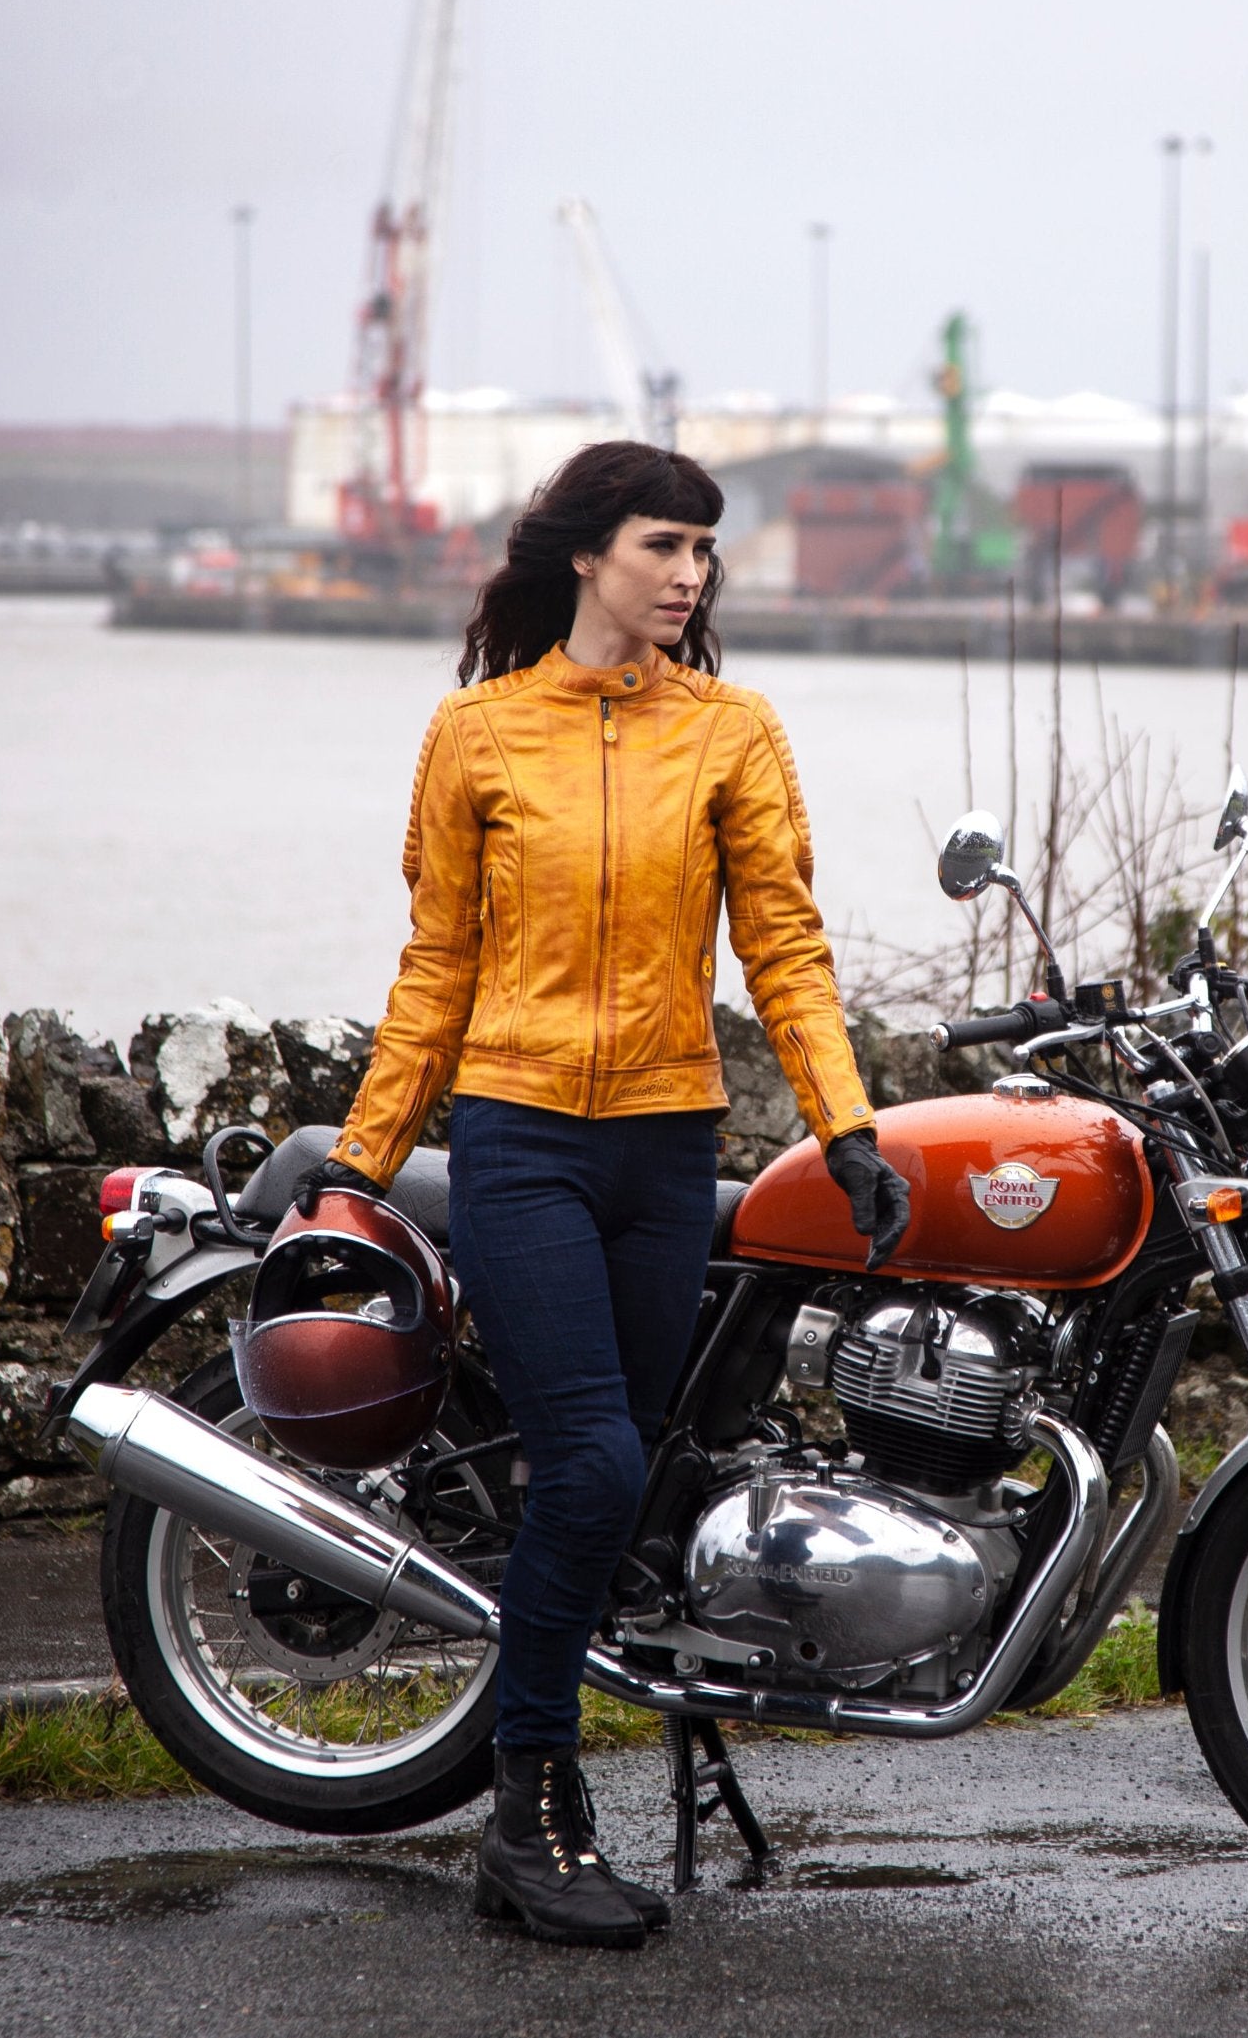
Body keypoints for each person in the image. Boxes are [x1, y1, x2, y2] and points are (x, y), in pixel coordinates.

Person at [307, 442, 909, 1947]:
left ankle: (600, 1742)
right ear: (587, 554)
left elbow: (783, 944)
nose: (691, 574)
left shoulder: (733, 731)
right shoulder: (478, 735)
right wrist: (360, 1164)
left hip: (663, 1150)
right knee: (583, 1464)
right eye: (664, 544)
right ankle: (529, 1816)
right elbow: (437, 964)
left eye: (707, 549)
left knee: (628, 1482)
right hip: (520, 1145)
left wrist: (846, 1126)